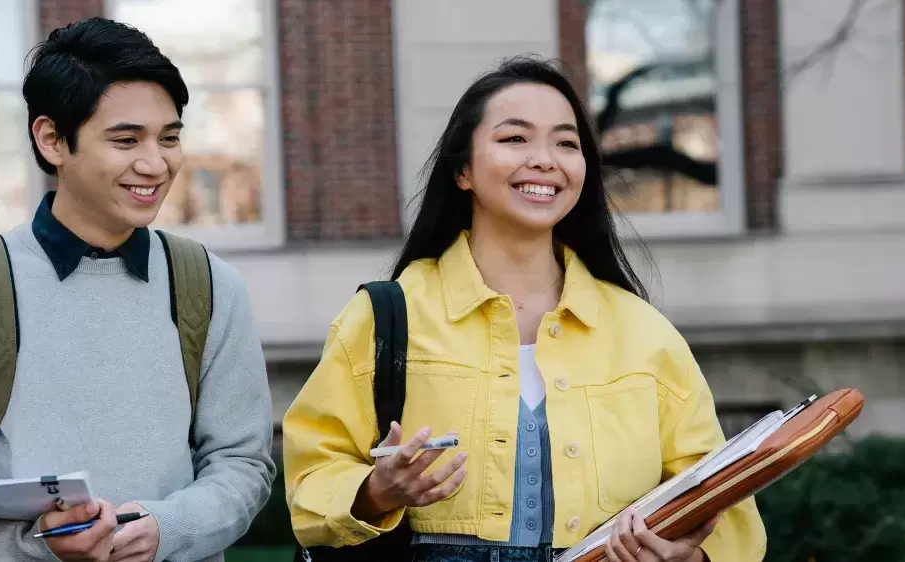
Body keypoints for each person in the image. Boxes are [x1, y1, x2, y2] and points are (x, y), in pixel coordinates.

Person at [281, 57, 766, 562]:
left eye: (566, 143)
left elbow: (726, 506)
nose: (544, 160)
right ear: (462, 170)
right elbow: (311, 478)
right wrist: (379, 491)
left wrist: (690, 557)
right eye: (515, 139)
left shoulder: (645, 333)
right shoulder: (384, 318)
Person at [0, 17, 275, 562]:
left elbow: (244, 465)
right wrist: (45, 546)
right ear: (51, 140)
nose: (155, 164)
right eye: (126, 140)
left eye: (169, 138)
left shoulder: (210, 285)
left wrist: (166, 528)